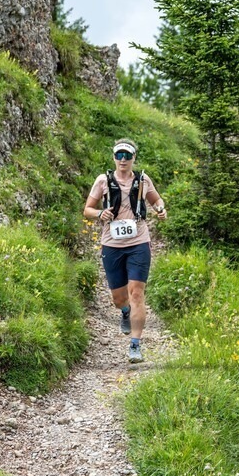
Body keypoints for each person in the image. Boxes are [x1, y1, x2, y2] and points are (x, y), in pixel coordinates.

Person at [83, 138, 167, 363]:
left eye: (127, 155)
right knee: (119, 298)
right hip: (112, 244)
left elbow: (157, 200)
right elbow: (87, 209)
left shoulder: (143, 180)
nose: (123, 159)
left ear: (133, 158)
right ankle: (125, 312)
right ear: (113, 157)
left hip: (139, 243)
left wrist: (161, 209)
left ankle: (135, 345)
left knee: (137, 293)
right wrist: (100, 214)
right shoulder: (103, 180)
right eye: (119, 155)